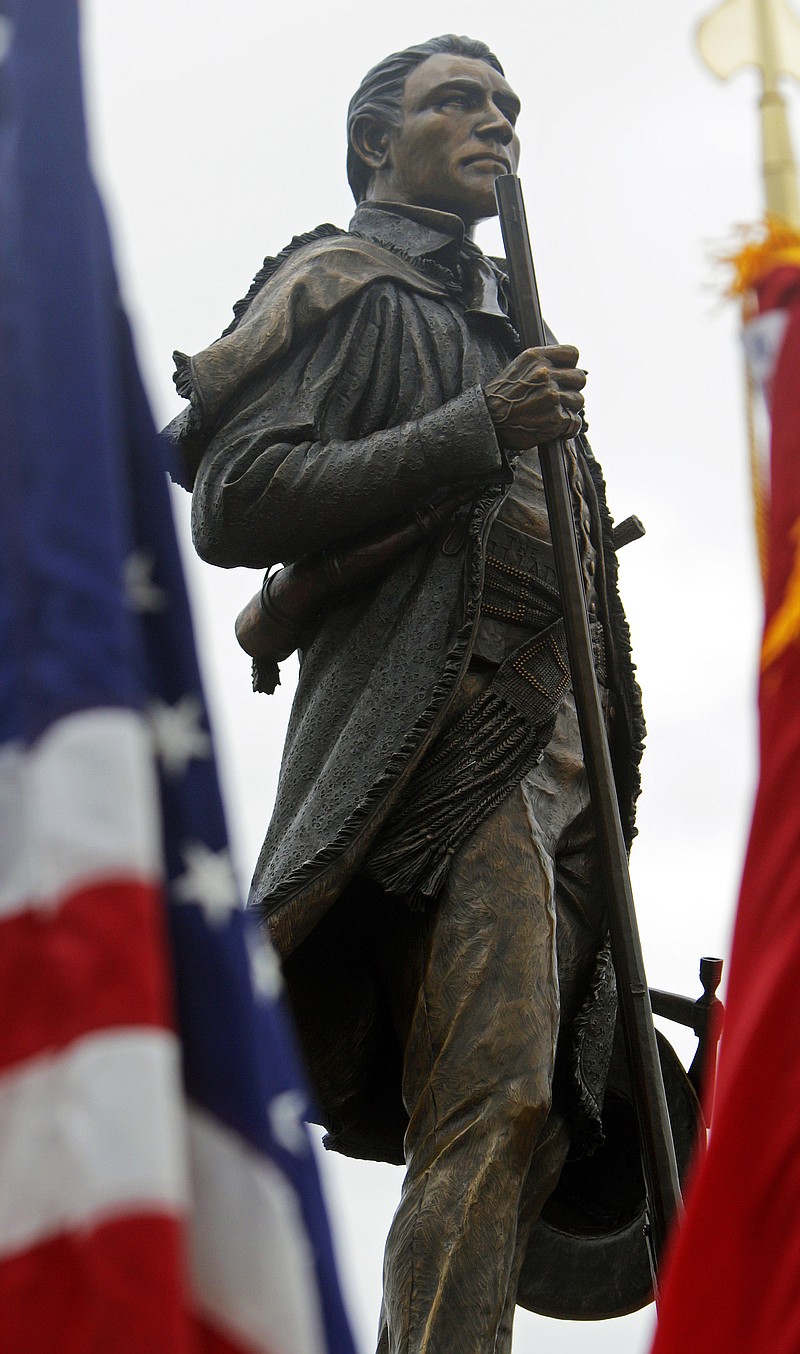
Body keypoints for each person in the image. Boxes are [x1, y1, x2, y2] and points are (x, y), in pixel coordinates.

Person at [172, 33, 645, 1353]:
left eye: (507, 105)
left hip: (565, 759)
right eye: (459, 102)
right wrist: (481, 426)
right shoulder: (353, 286)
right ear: (381, 140)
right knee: (495, 1103)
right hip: (452, 750)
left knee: (537, 1118)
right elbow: (236, 501)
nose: (495, 121)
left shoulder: (510, 312)